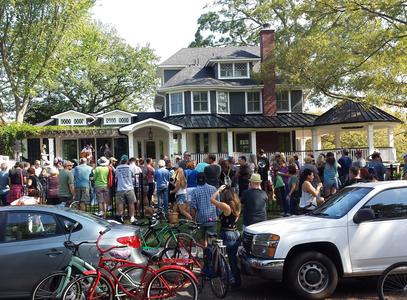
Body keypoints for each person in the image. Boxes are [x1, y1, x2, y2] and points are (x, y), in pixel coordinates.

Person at [210, 185, 241, 289]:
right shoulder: (237, 206)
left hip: (227, 234)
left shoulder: (226, 206)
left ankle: (229, 278)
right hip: (236, 233)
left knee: (221, 258)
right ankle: (237, 283)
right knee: (232, 260)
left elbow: (212, 200)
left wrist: (218, 190)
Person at [190, 173, 218, 247]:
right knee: (211, 239)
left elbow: (193, 208)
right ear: (206, 179)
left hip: (201, 218)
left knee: (202, 238)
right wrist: (217, 215)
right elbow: (218, 204)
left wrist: (193, 220)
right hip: (212, 217)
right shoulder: (213, 189)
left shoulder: (195, 191)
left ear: (196, 180)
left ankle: (205, 253)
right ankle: (210, 254)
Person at [115, 155, 137, 224]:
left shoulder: (117, 168)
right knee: (131, 203)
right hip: (129, 187)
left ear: (121, 160)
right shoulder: (130, 167)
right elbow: (133, 175)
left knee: (120, 203)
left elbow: (116, 177)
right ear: (127, 160)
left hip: (120, 188)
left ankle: (121, 216)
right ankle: (132, 217)